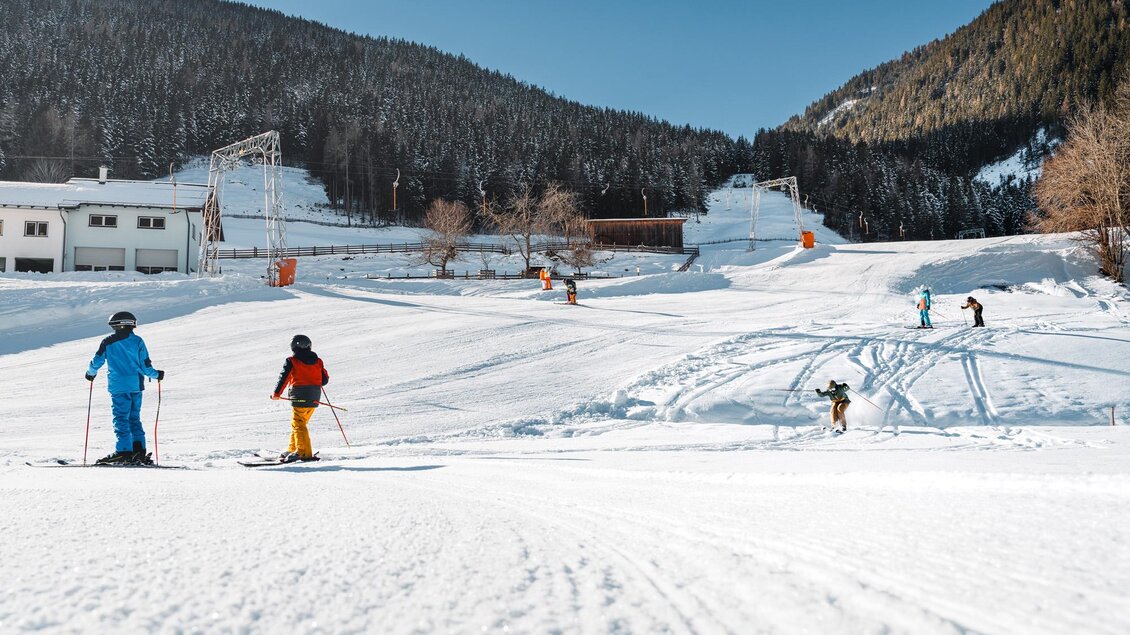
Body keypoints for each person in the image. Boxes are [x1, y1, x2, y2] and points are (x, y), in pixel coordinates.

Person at [84, 311, 164, 465]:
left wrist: (90, 373)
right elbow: (146, 365)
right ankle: (139, 451)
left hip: (119, 386)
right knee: (134, 418)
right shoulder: (138, 341)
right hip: (136, 386)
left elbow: (97, 360)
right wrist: (156, 375)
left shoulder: (108, 341)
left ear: (116, 325)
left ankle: (124, 452)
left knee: (121, 418)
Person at [271, 334, 329, 463]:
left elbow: (284, 377)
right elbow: (324, 380)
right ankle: (293, 448)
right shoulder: (318, 361)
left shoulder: (292, 360)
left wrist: (277, 393)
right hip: (314, 397)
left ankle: (303, 452)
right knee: (299, 424)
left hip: (299, 396)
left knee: (298, 424)